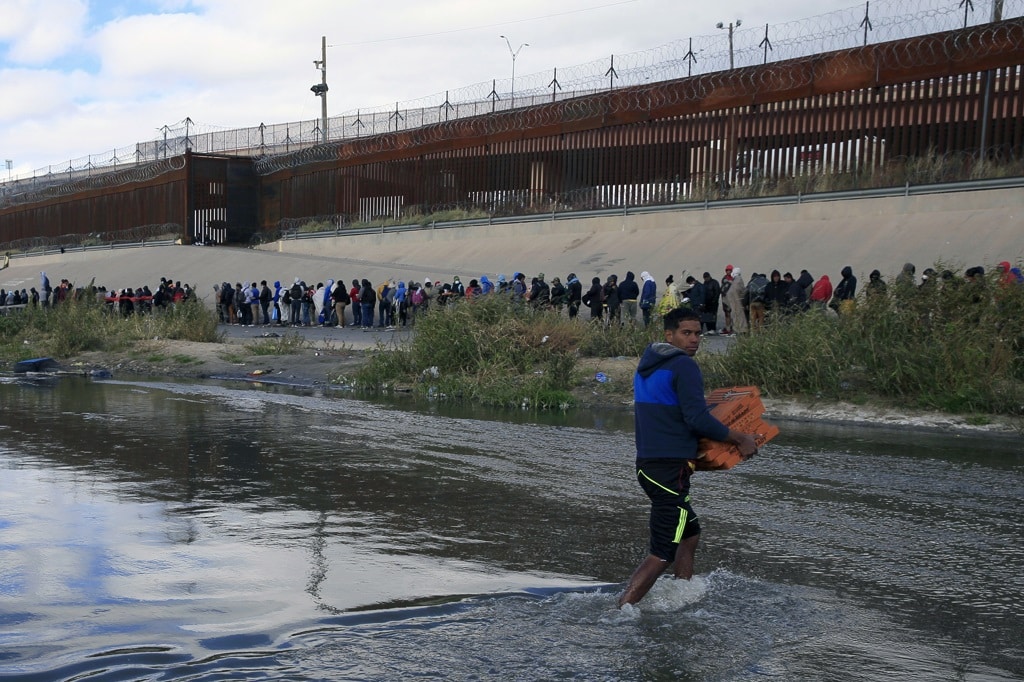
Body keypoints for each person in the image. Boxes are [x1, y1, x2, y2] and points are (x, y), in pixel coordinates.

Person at [618, 307, 758, 608]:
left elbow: (680, 415)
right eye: (687, 333)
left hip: (649, 466)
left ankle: (682, 595)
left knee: (690, 532)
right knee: (662, 552)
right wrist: (739, 437)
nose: (694, 339)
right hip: (669, 469)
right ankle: (619, 612)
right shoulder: (684, 366)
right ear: (669, 335)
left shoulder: (649, 364)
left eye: (698, 333)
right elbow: (696, 419)